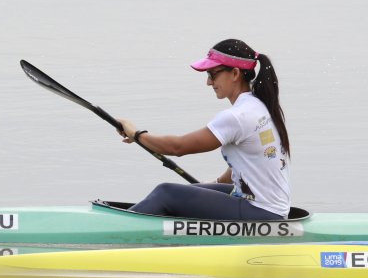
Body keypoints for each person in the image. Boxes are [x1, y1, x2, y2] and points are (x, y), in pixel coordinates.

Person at [117, 38, 292, 220]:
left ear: (235, 73)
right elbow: (251, 160)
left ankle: (118, 227)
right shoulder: (259, 105)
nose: (209, 82)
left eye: (212, 74)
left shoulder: (237, 116)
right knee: (191, 191)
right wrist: (216, 183)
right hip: (271, 207)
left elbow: (178, 148)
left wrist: (136, 134)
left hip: (261, 212)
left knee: (166, 193)